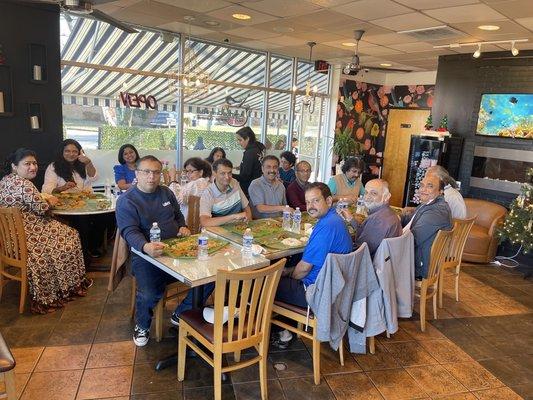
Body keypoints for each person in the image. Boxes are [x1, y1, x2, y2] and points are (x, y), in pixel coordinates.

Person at [0, 148, 91, 314]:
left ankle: (62, 282)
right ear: (15, 166)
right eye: (27, 164)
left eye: (34, 163)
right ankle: (67, 286)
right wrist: (51, 201)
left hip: (9, 240)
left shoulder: (5, 180)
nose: (33, 167)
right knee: (72, 234)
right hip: (28, 236)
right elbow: (42, 208)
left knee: (63, 230)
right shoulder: (25, 185)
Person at [116, 155, 191, 346]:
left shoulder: (166, 193)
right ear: (137, 174)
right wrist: (145, 246)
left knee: (210, 275)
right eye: (146, 172)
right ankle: (142, 325)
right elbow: (129, 231)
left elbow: (178, 216)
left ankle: (181, 312)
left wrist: (183, 226)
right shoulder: (127, 200)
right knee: (149, 292)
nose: (152, 177)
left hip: (175, 250)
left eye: (156, 172)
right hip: (145, 255)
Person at [275, 182, 352, 308]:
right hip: (334, 285)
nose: (311, 206)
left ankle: (273, 326)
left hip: (316, 291)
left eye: (316, 200)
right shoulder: (335, 219)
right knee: (289, 266)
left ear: (328, 201)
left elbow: (304, 269)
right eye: (308, 202)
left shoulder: (326, 227)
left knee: (263, 283)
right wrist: (288, 271)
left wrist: (291, 277)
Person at [402, 173, 452, 279]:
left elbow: (413, 238)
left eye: (430, 186)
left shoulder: (438, 210)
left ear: (440, 191)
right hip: (417, 256)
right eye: (421, 185)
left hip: (419, 265)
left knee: (377, 257)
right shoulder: (428, 203)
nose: (423, 189)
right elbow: (410, 220)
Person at [341, 179, 402, 257]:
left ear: (386, 197)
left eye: (374, 193)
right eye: (366, 192)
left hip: (371, 263)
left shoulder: (378, 220)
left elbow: (361, 251)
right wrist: (351, 219)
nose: (367, 197)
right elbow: (366, 231)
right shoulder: (387, 213)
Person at [199, 158, 252, 227]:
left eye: (229, 173)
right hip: (219, 232)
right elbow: (205, 222)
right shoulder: (208, 193)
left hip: (238, 227)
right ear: (214, 173)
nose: (227, 177)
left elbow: (246, 208)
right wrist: (233, 217)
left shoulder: (234, 182)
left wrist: (249, 222)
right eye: (223, 173)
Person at [248, 155, 291, 219]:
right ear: (262, 169)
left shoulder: (281, 186)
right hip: (260, 225)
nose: (272, 170)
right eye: (268, 167)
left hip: (279, 223)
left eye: (275, 167)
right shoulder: (255, 184)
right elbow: (261, 208)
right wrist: (283, 208)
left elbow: (284, 205)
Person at [233, 127, 265, 197]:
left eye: (240, 140)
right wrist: (241, 166)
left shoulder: (250, 153)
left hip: (250, 190)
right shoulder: (258, 149)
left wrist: (229, 175)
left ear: (247, 138)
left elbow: (245, 177)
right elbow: (255, 167)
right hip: (258, 187)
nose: (238, 143)